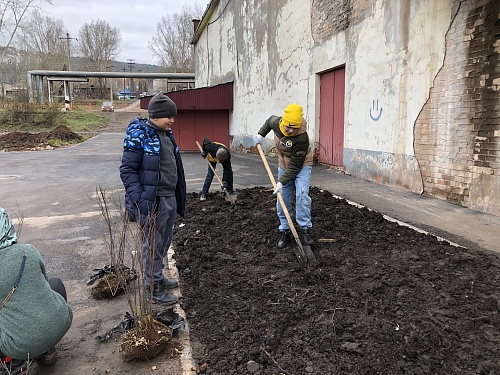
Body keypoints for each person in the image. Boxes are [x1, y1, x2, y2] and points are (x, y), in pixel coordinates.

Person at [120, 93, 186, 306]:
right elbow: (128, 170)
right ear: (156, 116)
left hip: (168, 196)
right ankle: (153, 289)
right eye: (169, 117)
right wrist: (140, 199)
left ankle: (157, 277)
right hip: (153, 200)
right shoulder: (140, 135)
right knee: (153, 243)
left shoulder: (165, 134)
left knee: (164, 242)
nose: (172, 121)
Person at [0, 208, 73, 374]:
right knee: (54, 284)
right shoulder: (28, 251)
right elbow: (44, 285)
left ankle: (16, 362)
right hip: (58, 327)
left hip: (18, 345)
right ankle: (46, 350)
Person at [253, 103, 314, 249]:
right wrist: (260, 135)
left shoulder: (301, 138)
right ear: (283, 122)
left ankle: (305, 229)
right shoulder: (276, 122)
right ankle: (285, 230)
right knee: (283, 199)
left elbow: (295, 166)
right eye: (288, 127)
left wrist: (281, 181)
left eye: (294, 128)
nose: (291, 130)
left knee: (301, 194)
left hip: (301, 165)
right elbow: (268, 122)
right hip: (283, 164)